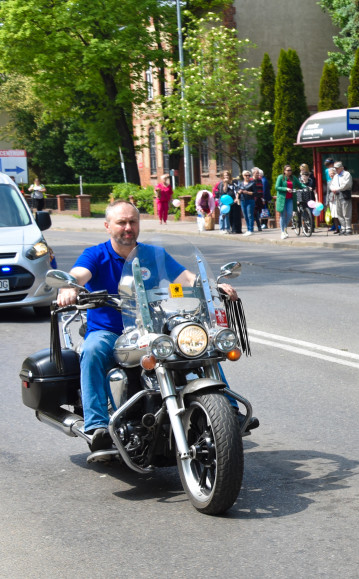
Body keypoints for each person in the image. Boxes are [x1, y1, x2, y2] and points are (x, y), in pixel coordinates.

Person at [55, 201, 242, 452]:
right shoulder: (95, 254)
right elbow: (79, 274)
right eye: (121, 222)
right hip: (109, 331)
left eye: (133, 221)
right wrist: (69, 286)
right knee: (92, 350)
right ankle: (96, 425)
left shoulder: (154, 254)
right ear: (108, 226)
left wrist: (212, 286)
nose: (128, 227)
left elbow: (187, 278)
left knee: (198, 343)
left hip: (150, 329)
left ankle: (227, 408)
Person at [275, 165, 304, 239]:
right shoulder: (280, 177)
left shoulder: (293, 177)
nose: (289, 171)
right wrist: (286, 189)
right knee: (282, 215)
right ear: (284, 171)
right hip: (282, 199)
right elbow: (277, 187)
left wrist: (306, 187)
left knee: (290, 214)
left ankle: (284, 228)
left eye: (290, 170)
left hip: (290, 198)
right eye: (288, 170)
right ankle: (283, 232)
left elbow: (299, 184)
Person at [330, 162, 353, 235]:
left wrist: (337, 189)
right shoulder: (336, 176)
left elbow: (346, 185)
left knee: (346, 212)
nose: (336, 170)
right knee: (339, 212)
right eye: (335, 168)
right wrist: (333, 189)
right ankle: (343, 228)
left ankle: (348, 228)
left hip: (345, 194)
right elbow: (332, 185)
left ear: (341, 168)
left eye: (337, 168)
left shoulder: (347, 174)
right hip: (337, 195)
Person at [237, 170, 258, 235]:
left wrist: (247, 192)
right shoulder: (240, 183)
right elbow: (237, 191)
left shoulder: (252, 183)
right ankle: (248, 229)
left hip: (250, 200)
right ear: (243, 176)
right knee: (245, 215)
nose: (247, 177)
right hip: (243, 200)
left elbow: (255, 193)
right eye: (246, 175)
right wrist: (239, 193)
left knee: (250, 215)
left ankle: (250, 229)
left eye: (249, 175)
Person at [325, 166, 341, 234]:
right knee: (334, 214)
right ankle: (337, 228)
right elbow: (328, 192)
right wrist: (327, 202)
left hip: (338, 198)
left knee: (338, 214)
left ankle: (341, 227)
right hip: (332, 199)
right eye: (330, 173)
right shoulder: (329, 182)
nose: (331, 175)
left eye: (332, 173)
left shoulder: (338, 180)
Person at [251, 167, 266, 232]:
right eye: (256, 173)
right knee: (254, 213)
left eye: (258, 173)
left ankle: (258, 226)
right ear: (253, 173)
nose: (258, 174)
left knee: (258, 213)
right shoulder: (251, 180)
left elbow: (262, 190)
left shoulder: (260, 180)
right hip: (253, 199)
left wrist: (263, 198)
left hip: (259, 199)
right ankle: (257, 227)